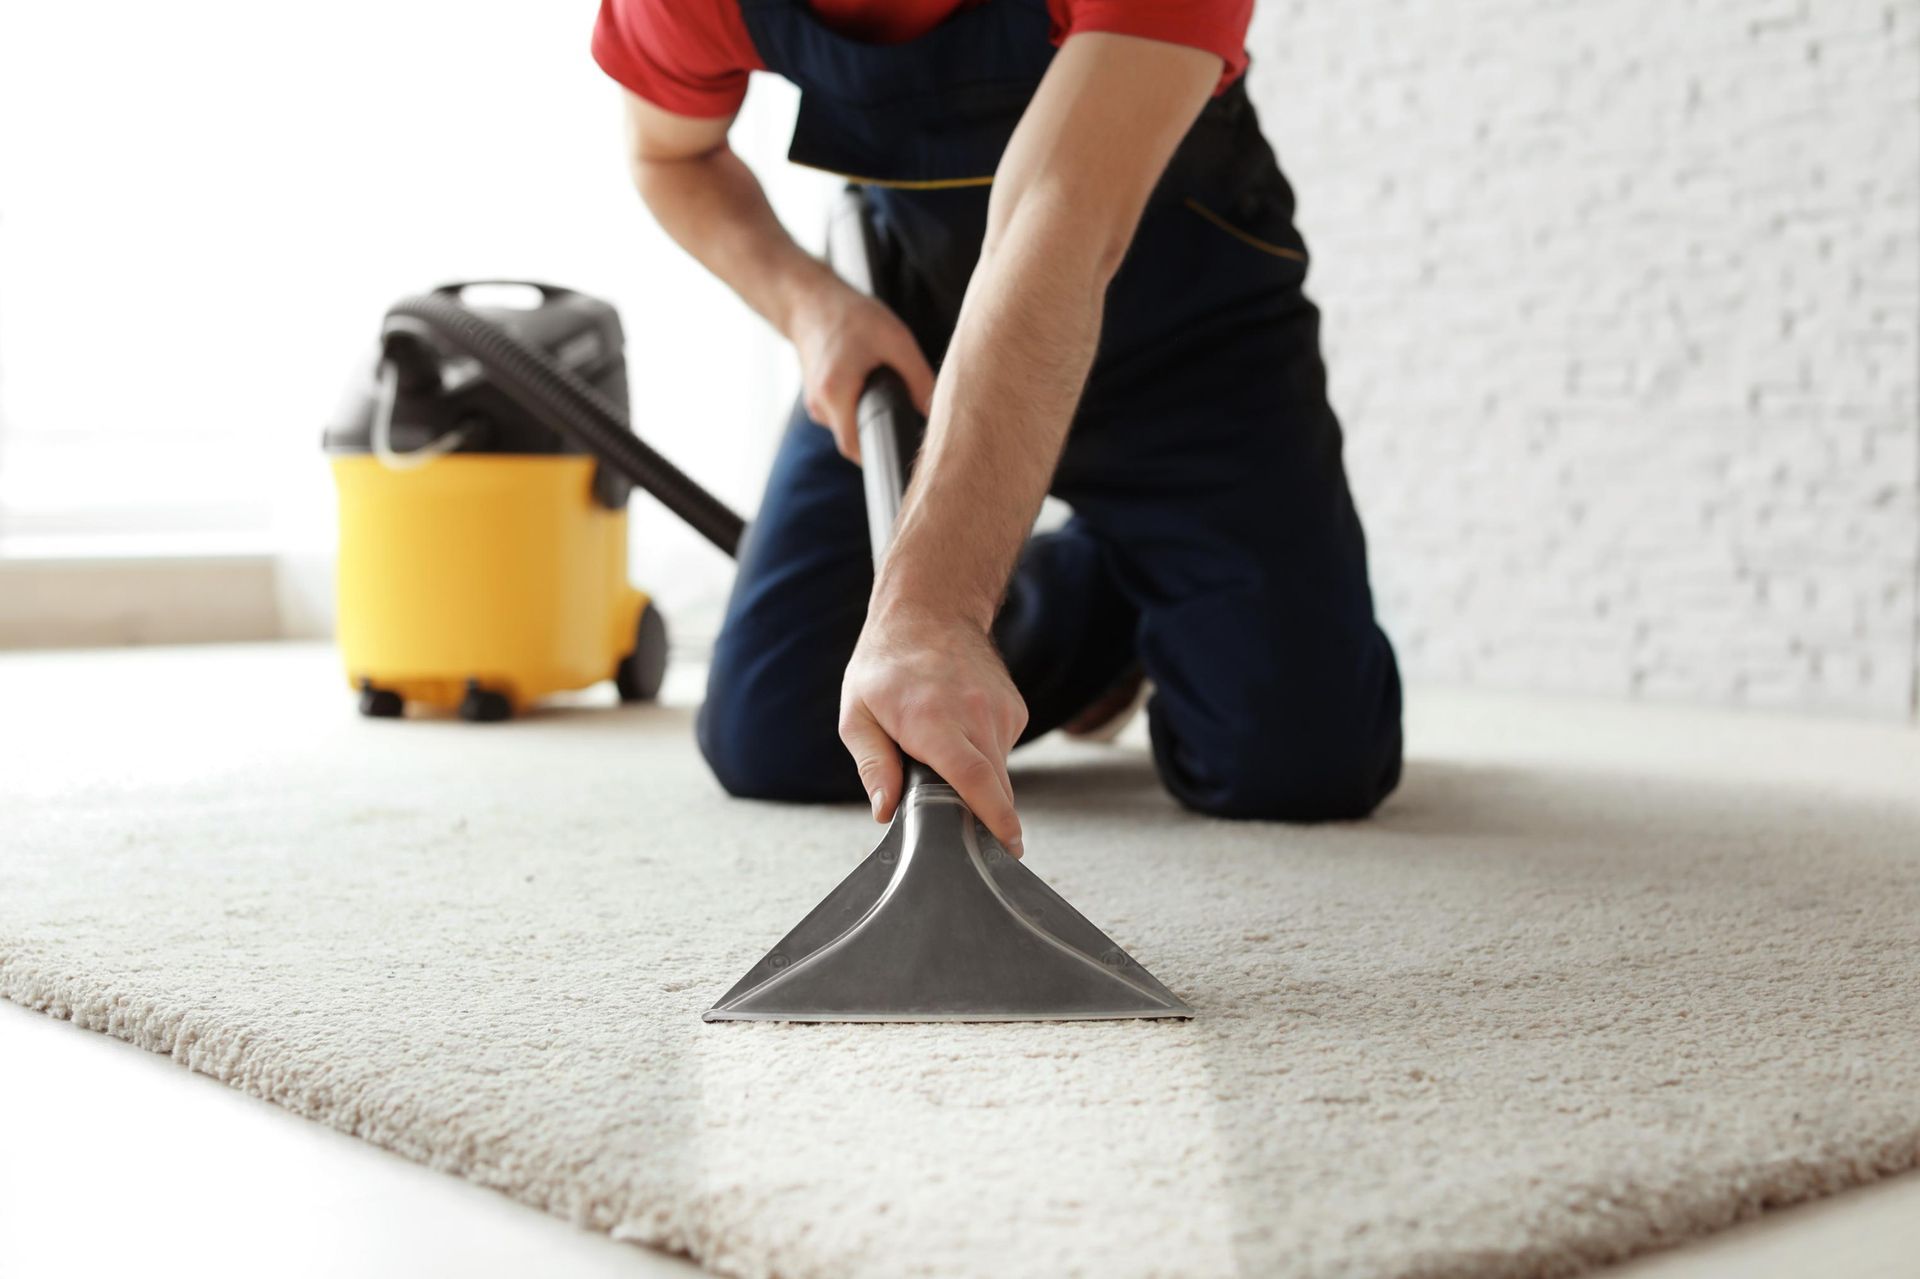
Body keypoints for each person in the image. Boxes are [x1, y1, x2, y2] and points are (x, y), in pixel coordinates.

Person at [592, 0, 1403, 855]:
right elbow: (668, 155)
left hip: (1187, 349)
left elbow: (1056, 221)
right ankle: (1103, 594)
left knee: (1299, 767)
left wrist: (933, 611)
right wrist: (812, 307)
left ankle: (1151, 567)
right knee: (777, 735)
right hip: (919, 346)